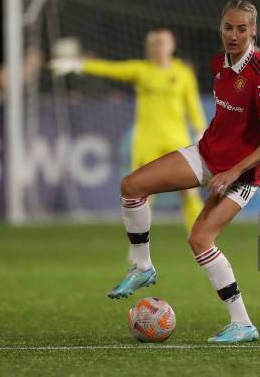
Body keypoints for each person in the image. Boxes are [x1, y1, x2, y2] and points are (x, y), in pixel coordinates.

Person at [106, 0, 260, 343]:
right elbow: (230, 120)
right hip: (206, 154)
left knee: (200, 238)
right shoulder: (220, 63)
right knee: (131, 185)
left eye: (242, 29)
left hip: (237, 176)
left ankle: (242, 323)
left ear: (254, 31)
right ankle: (142, 267)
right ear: (220, 28)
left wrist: (238, 170)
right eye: (228, 27)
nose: (234, 35)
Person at [50, 29, 206, 233]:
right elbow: (110, 69)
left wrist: (200, 129)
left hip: (177, 139)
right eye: (155, 43)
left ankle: (201, 238)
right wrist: (79, 64)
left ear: (172, 46)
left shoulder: (183, 74)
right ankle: (139, 246)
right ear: (149, 47)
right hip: (146, 141)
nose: (159, 47)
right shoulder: (141, 70)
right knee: (141, 194)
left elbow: (192, 104)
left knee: (188, 192)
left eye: (163, 43)